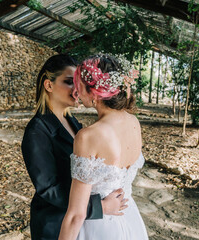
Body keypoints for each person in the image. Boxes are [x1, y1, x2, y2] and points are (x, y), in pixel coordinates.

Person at [21, 54, 128, 240]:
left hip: (79, 223)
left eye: (77, 82)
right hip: (55, 224)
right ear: (49, 85)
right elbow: (49, 188)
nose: (76, 88)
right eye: (70, 81)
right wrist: (99, 207)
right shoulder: (36, 130)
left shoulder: (72, 121)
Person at [59, 54, 149, 240]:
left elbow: (76, 214)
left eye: (79, 85)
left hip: (99, 228)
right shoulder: (133, 122)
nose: (76, 91)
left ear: (95, 91)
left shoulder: (88, 136)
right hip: (129, 217)